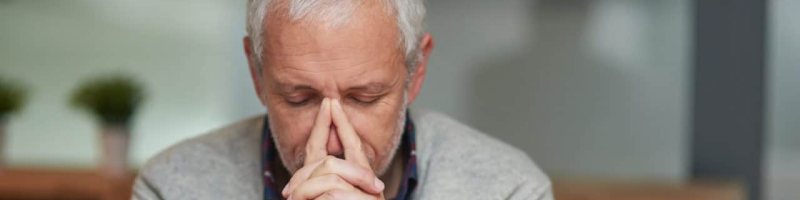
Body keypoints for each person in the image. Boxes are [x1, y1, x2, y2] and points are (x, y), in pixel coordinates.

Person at [132, 0, 552, 199]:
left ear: (415, 72)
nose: (332, 140)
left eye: (365, 98)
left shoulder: (509, 190)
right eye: (299, 98)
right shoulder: (172, 187)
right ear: (256, 73)